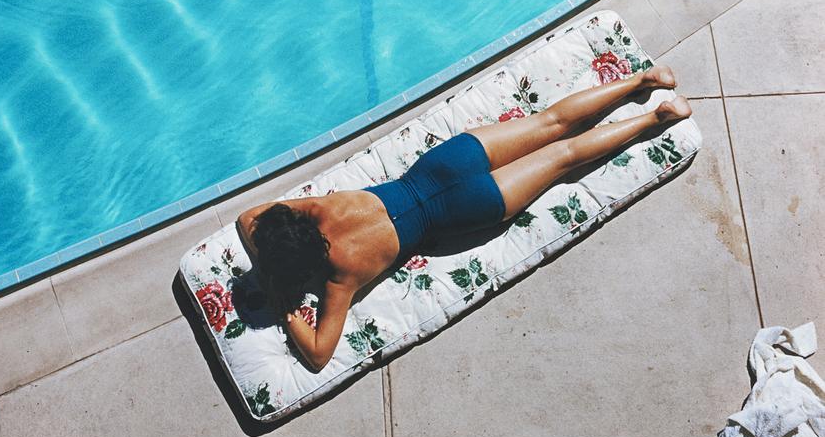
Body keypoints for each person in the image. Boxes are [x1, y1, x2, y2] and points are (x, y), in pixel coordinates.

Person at [237, 65, 691, 371]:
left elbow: (318, 354)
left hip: (466, 207)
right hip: (442, 166)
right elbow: (249, 219)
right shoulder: (316, 209)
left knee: (564, 155)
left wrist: (282, 299)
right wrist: (269, 253)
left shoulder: (340, 277)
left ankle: (655, 119)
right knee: (550, 123)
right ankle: (642, 80)